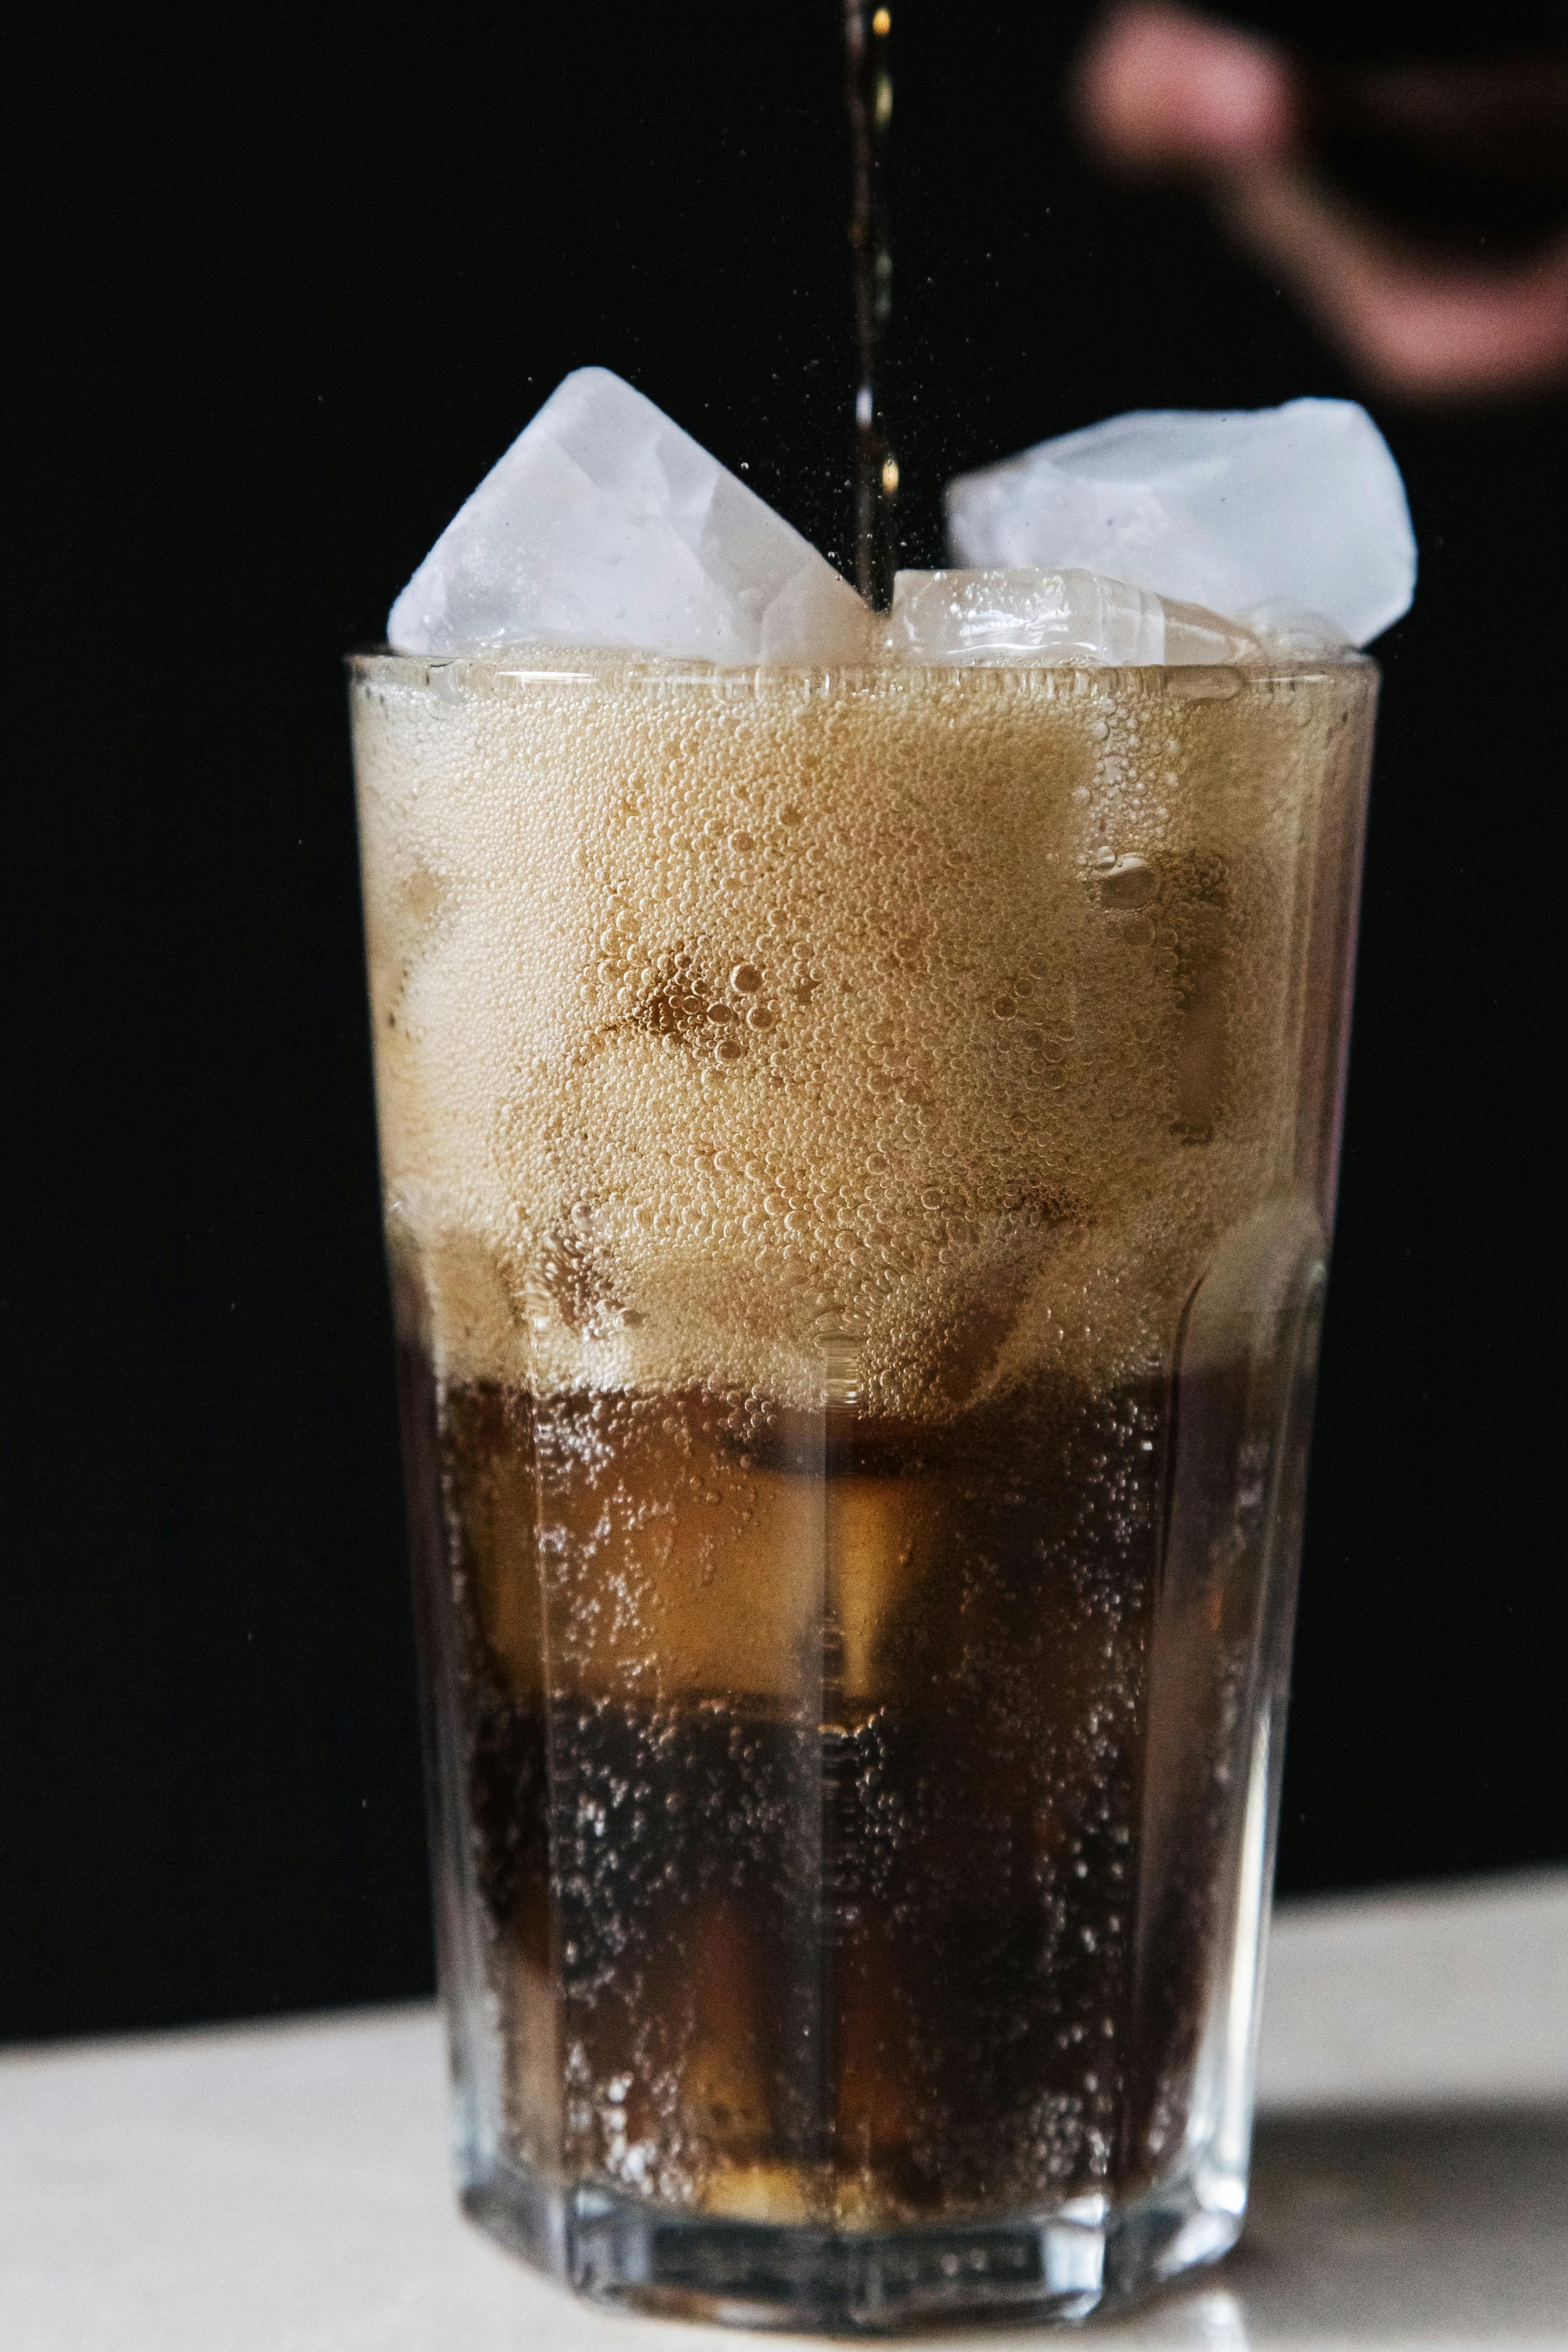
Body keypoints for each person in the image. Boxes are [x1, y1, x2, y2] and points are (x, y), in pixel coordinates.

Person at [1071, 1, 1568, 398]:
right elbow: (1405, 346)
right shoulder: (1288, 204)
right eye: (1188, 143)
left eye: (1181, 93)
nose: (1224, 116)